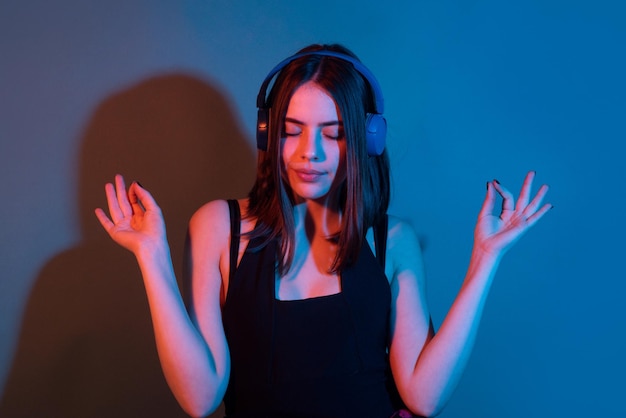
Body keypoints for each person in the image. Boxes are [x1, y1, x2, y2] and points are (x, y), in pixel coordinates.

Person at [95, 44, 552, 418]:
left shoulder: (391, 241)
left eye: (331, 134)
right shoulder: (219, 227)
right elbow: (200, 399)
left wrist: (485, 260)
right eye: (292, 131)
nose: (308, 152)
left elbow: (424, 397)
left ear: (365, 138)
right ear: (268, 133)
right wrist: (152, 258)